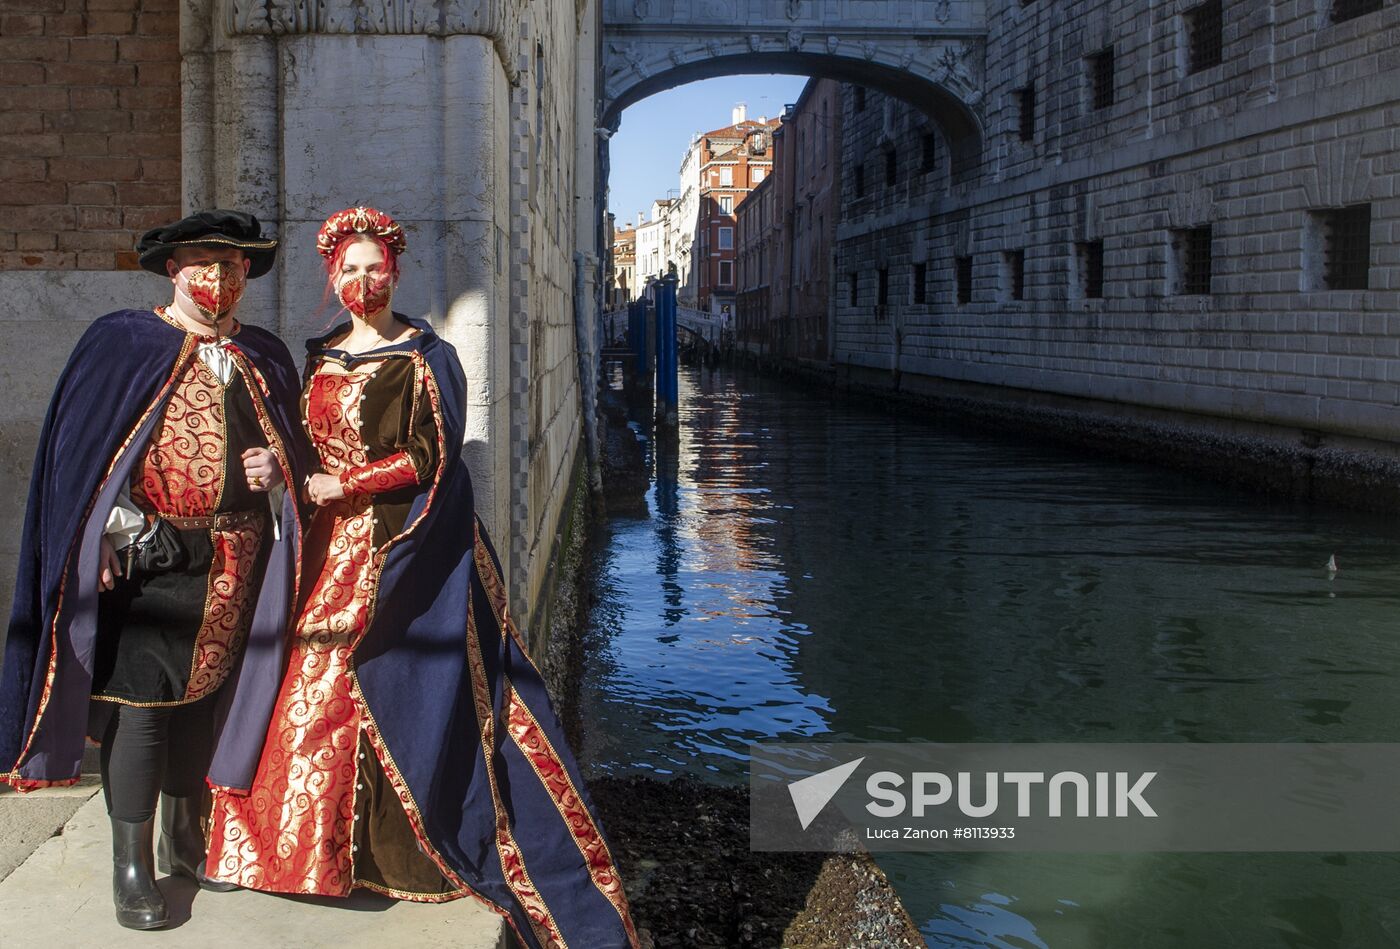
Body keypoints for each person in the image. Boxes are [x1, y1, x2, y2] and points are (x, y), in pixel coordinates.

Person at [206, 207, 639, 949]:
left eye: (374, 267)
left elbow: (432, 455)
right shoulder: (322, 355)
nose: (361, 281)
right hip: (326, 547)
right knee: (311, 684)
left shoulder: (427, 356)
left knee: (382, 682)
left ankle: (390, 853)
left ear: (395, 271)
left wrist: (347, 485)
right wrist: (284, 465)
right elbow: (310, 445)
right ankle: (303, 854)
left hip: (403, 544)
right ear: (333, 276)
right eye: (349, 269)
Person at [0, 210, 310, 930]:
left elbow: (296, 447)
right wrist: (109, 532)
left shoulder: (263, 354)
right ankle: (131, 866)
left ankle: (184, 841)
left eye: (231, 265)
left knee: (201, 702)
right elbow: (81, 453)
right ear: (173, 270)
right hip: (151, 557)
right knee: (142, 708)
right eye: (203, 262)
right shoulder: (123, 343)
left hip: (237, 557)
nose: (218, 277)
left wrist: (278, 469)